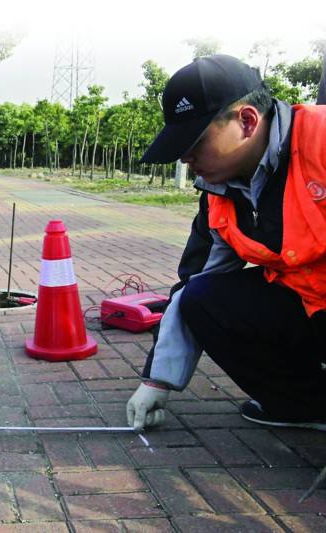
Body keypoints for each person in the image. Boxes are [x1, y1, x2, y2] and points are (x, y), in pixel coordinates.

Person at [126, 54, 326, 434]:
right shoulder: (219, 193)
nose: (185, 158)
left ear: (247, 121)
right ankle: (309, 406)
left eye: (195, 143)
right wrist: (157, 379)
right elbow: (194, 281)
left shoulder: (321, 140)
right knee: (201, 298)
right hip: (307, 307)